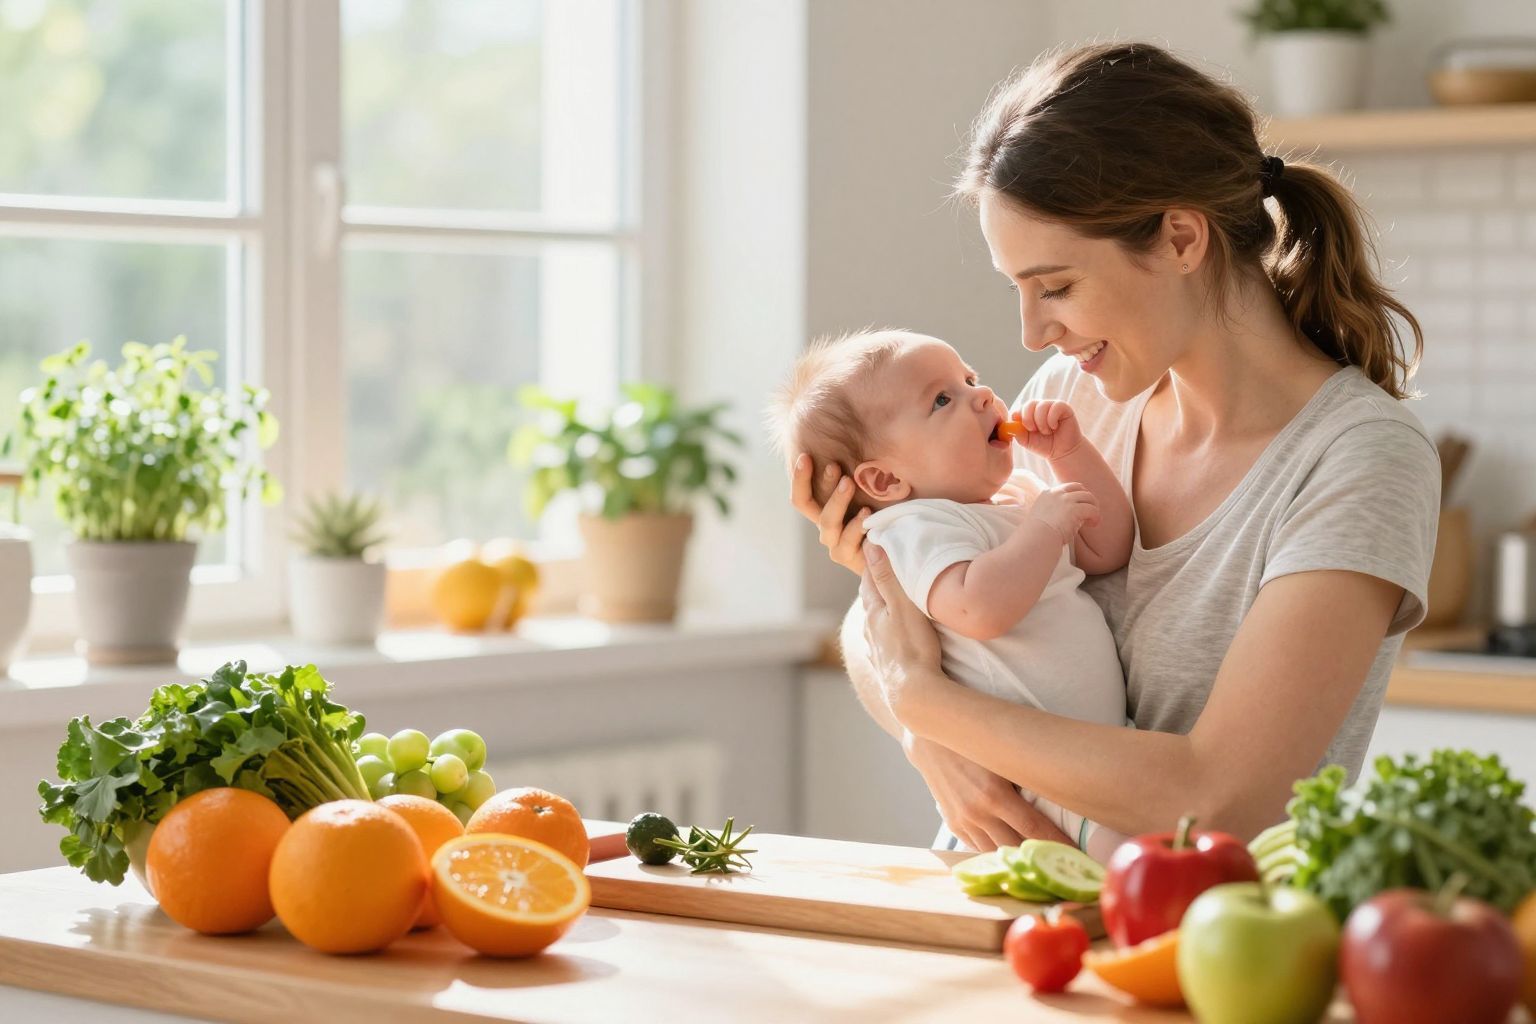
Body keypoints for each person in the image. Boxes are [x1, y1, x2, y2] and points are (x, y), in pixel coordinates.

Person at [790, 41, 1440, 852]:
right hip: (1020, 926)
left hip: (1217, 958)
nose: (1032, 335)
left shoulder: (1358, 457)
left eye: (1056, 286)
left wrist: (927, 708)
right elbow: (892, 620)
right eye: (1018, 290)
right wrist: (922, 727)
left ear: (1179, 239)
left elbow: (1219, 799)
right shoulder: (1073, 401)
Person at [768, 328, 1134, 859]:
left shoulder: (1015, 498)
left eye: (970, 379)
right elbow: (976, 608)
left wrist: (1071, 456)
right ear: (885, 480)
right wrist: (1046, 528)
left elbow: (1110, 550)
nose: (982, 396)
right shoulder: (913, 528)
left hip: (1092, 756)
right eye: (942, 400)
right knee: (1139, 867)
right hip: (1031, 784)